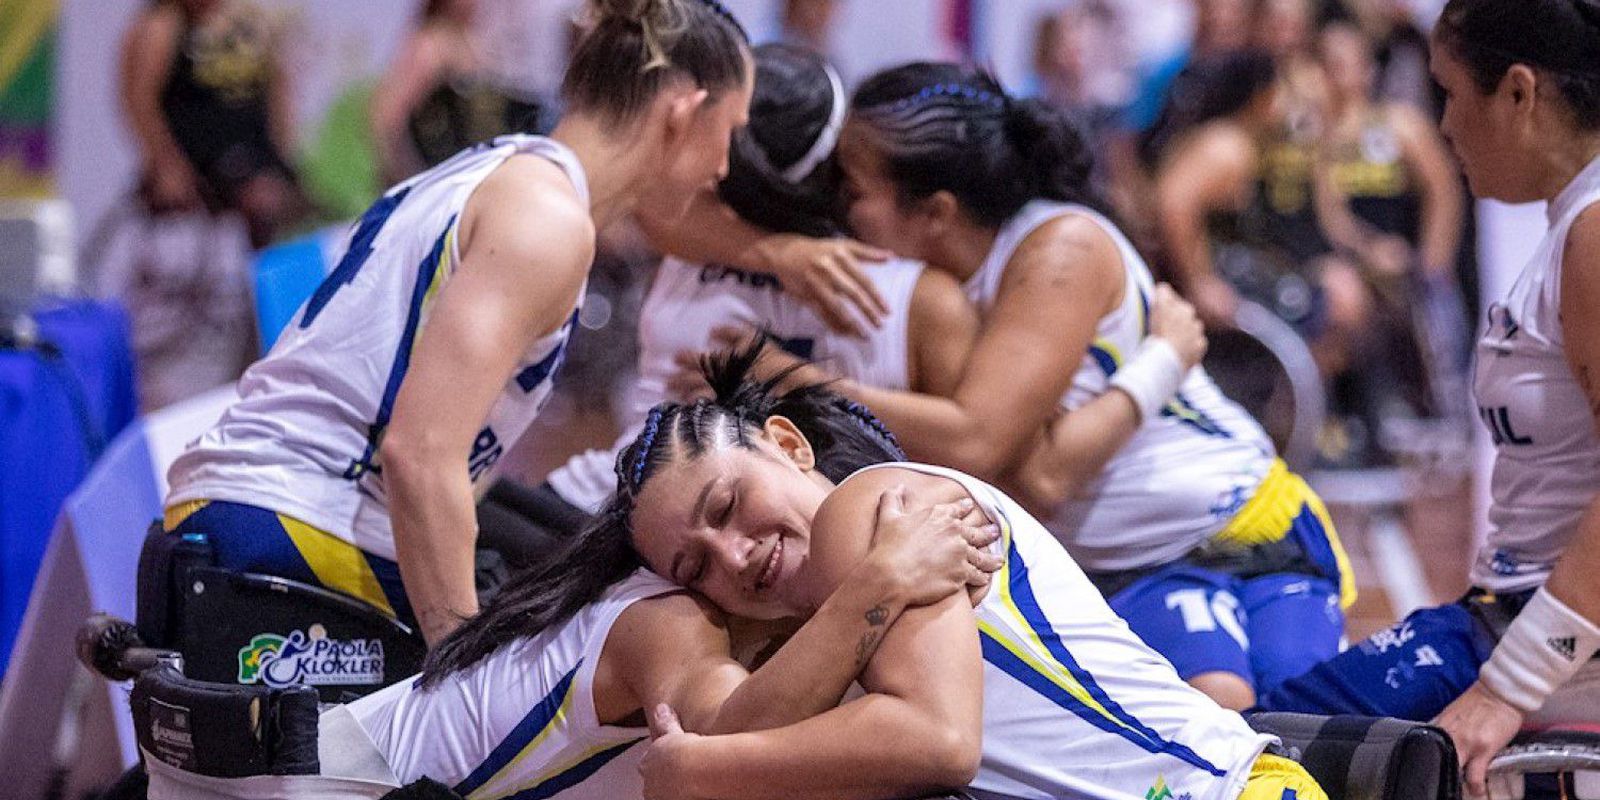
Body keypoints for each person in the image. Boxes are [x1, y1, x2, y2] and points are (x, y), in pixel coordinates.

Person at [699, 61, 1354, 711]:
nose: (838, 204)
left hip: (1235, 522)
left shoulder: (1055, 246)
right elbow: (1030, 471)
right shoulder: (939, 278)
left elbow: (991, 448)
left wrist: (788, 376)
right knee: (1227, 719)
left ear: (935, 211)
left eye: (854, 187)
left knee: (1300, 724)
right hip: (1129, 563)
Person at [161, 0, 754, 646]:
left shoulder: (506, 171)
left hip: (236, 521)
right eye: (732, 131)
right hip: (293, 534)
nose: (725, 169)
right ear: (684, 113)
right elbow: (420, 456)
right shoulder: (548, 222)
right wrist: (458, 667)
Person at [599, 354, 1327, 799]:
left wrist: (701, 775)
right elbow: (743, 734)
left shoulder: (870, 508)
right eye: (695, 568)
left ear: (788, 445)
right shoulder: (845, 603)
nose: (734, 555)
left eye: (726, 505)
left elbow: (939, 740)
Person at [1256, 0, 1600, 793]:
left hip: (1533, 631)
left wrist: (1507, 687)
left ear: (1519, 93)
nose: (1441, 123)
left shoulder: (1592, 233)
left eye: (1448, 93)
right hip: (1505, 610)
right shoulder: (1572, 224)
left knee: (1249, 758)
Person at [543, 43, 979, 523]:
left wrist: (793, 377)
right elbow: (975, 462)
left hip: (609, 503)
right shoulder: (924, 296)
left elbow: (642, 200)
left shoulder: (687, 239)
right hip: (765, 539)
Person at [120, 0, 302, 249]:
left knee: (311, 212)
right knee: (264, 200)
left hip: (255, 153)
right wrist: (165, 164)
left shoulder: (247, 21)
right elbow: (138, 99)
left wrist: (283, 153)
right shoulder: (163, 25)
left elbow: (276, 89)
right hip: (203, 158)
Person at [370, 0, 548, 187]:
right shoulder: (431, 45)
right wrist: (411, 180)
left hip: (464, 183)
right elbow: (387, 116)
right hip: (435, 181)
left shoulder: (476, 42)